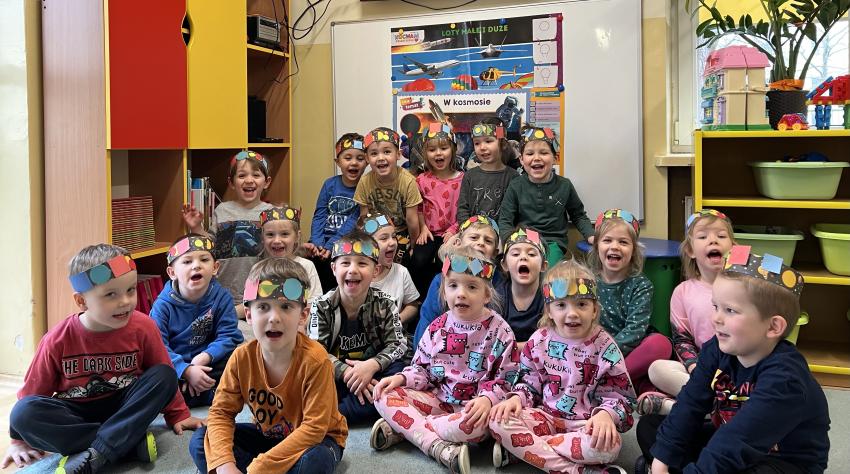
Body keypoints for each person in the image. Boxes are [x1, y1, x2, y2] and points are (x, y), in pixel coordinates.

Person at [3, 244, 203, 473]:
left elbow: (163, 373)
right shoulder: (57, 339)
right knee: (23, 412)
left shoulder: (144, 327)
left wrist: (179, 414)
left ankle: (98, 451)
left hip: (124, 407)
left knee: (164, 375)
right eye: (111, 294)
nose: (125, 301)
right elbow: (31, 394)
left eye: (130, 290)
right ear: (81, 301)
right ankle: (125, 444)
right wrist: (18, 441)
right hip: (76, 414)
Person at [637, 247, 830, 473]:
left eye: (730, 310)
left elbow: (737, 441)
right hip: (730, 438)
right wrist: (661, 460)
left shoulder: (785, 378)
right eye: (715, 306)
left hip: (782, 460)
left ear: (773, 326)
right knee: (652, 429)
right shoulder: (718, 348)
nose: (716, 318)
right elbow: (691, 402)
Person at [189, 257, 347, 473]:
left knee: (316, 461)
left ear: (303, 315)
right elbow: (221, 413)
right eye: (263, 307)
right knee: (201, 440)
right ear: (248, 315)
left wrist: (260, 467)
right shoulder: (241, 358)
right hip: (268, 438)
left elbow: (314, 428)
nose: (274, 318)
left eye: (285, 307)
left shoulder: (316, 360)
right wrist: (225, 465)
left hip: (317, 441)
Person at [371, 247, 518, 474]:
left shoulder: (501, 331)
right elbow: (422, 370)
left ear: (487, 295)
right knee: (383, 395)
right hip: (438, 401)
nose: (461, 293)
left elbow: (507, 380)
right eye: (453, 286)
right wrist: (402, 378)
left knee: (483, 424)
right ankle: (435, 445)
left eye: (472, 287)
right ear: (444, 291)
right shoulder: (437, 327)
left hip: (473, 411)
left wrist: (488, 400)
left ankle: (407, 429)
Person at [489, 259, 635, 473]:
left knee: (610, 447)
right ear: (549, 310)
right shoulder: (538, 341)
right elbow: (528, 384)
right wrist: (516, 398)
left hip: (586, 425)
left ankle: (526, 449)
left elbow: (622, 397)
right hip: (544, 417)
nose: (572, 313)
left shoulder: (606, 347)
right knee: (497, 420)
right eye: (561, 305)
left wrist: (607, 414)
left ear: (595, 310)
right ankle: (578, 470)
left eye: (582, 304)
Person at [308, 231, 410, 424]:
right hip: (338, 374)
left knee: (400, 372)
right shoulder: (321, 306)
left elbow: (398, 343)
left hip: (374, 371)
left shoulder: (386, 303)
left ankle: (337, 414)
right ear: (333, 268)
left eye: (362, 263)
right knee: (309, 371)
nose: (353, 270)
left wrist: (372, 365)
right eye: (345, 263)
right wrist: (348, 373)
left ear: (375, 271)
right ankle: (361, 407)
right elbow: (316, 350)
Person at [640, 209, 736, 415]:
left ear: (733, 247)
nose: (713, 241)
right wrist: (695, 368)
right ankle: (719, 406)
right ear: (691, 250)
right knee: (657, 369)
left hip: (739, 368)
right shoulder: (682, 292)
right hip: (701, 369)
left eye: (721, 236)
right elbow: (682, 340)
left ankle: (681, 407)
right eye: (703, 237)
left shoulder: (744, 288)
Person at [150, 234, 243, 407]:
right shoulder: (162, 306)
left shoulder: (222, 297)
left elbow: (229, 335)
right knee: (156, 376)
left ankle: (205, 392)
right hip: (176, 365)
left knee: (241, 359)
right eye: (187, 262)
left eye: (204, 260)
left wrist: (205, 357)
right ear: (172, 273)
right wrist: (185, 370)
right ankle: (207, 393)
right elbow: (158, 346)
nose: (196, 265)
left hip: (209, 361)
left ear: (215, 267)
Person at [587, 209, 671, 394]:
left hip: (629, 351)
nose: (615, 246)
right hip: (593, 353)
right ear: (597, 246)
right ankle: (632, 386)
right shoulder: (587, 282)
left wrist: (607, 354)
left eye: (623, 242)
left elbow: (635, 330)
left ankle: (609, 383)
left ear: (633, 251)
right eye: (607, 240)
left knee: (661, 344)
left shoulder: (641, 285)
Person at [182, 149, 274, 317]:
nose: (249, 180)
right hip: (224, 288)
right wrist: (196, 228)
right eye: (242, 175)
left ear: (266, 182)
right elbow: (211, 246)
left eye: (256, 175)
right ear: (231, 182)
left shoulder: (271, 213)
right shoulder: (222, 210)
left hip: (258, 292)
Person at [498, 126, 594, 267]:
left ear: (555, 158)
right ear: (521, 160)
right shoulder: (515, 186)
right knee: (518, 270)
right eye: (530, 153)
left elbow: (578, 215)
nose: (537, 158)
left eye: (543, 153)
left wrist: (591, 235)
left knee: (545, 273)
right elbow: (505, 220)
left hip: (552, 243)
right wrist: (509, 242)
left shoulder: (564, 185)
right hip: (523, 241)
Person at [414, 215, 503, 347]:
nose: (481, 243)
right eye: (474, 237)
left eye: (488, 241)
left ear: (494, 253)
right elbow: (426, 324)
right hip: (440, 351)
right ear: (457, 243)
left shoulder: (498, 282)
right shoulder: (441, 280)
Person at [307, 133, 368, 290]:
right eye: (347, 158)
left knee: (337, 265)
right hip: (322, 241)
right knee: (309, 264)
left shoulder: (366, 187)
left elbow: (354, 221)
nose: (354, 163)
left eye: (360, 158)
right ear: (338, 162)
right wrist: (317, 243)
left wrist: (331, 245)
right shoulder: (329, 184)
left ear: (367, 161)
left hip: (347, 241)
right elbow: (319, 215)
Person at [354, 127, 423, 262]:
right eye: (374, 153)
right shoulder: (364, 182)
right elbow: (363, 218)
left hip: (401, 231)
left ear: (398, 154)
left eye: (387, 152)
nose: (381, 158)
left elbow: (412, 220)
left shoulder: (408, 181)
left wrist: (414, 246)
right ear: (367, 158)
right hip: (375, 230)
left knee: (403, 259)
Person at [411, 123, 464, 297]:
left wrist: (455, 230)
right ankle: (422, 299)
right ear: (425, 153)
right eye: (432, 150)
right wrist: (423, 227)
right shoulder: (421, 180)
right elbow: (418, 207)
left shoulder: (463, 179)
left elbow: (466, 209)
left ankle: (446, 298)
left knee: (447, 264)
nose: (438, 153)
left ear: (453, 150)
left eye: (444, 148)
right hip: (429, 233)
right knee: (418, 261)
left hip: (453, 233)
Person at [453, 121, 518, 237]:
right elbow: (463, 209)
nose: (482, 147)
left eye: (488, 141)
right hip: (473, 235)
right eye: (477, 143)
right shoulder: (469, 176)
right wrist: (468, 231)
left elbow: (516, 212)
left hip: (502, 236)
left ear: (502, 144)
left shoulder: (514, 177)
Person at [360, 213, 420, 327]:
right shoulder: (357, 276)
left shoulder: (401, 272)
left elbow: (413, 305)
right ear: (366, 246)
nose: (392, 242)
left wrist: (396, 320)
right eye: (384, 238)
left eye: (393, 236)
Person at [258, 205, 323, 302]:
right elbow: (248, 303)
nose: (277, 240)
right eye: (270, 234)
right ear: (263, 237)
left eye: (284, 234)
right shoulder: (258, 269)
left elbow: (316, 302)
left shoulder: (306, 266)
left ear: (297, 236)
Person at [497, 226, 547, 349]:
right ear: (504, 265)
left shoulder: (550, 297)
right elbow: (492, 340)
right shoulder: (497, 297)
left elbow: (550, 341)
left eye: (531, 254)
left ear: (543, 266)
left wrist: (513, 347)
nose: (523, 257)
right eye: (515, 254)